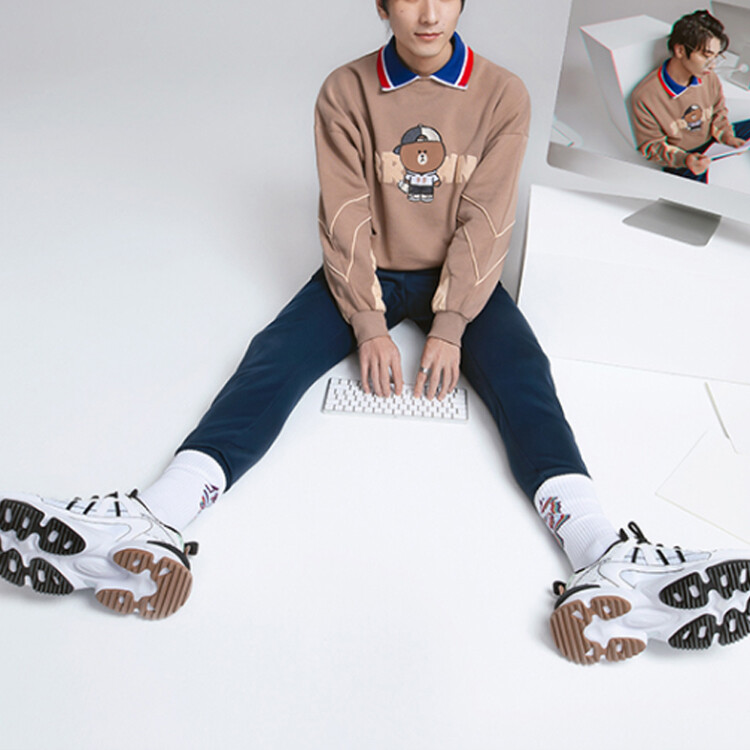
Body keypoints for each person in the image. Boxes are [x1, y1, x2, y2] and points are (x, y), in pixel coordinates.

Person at [1, 0, 749, 665]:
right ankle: (155, 519)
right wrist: (367, 321)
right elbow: (345, 211)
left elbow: (487, 217)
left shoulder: (502, 94)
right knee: (271, 360)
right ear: (382, 5)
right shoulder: (346, 90)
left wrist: (450, 324)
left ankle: (604, 559)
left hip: (463, 276)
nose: (428, 14)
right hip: (368, 269)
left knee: (526, 377)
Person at [631, 9, 750, 183]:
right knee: (700, 195)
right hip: (684, 156)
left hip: (713, 142)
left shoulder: (709, 77)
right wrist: (685, 160)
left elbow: (719, 112)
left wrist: (728, 137)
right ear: (680, 50)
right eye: (706, 56)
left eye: (716, 57)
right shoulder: (645, 96)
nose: (713, 65)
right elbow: (651, 146)